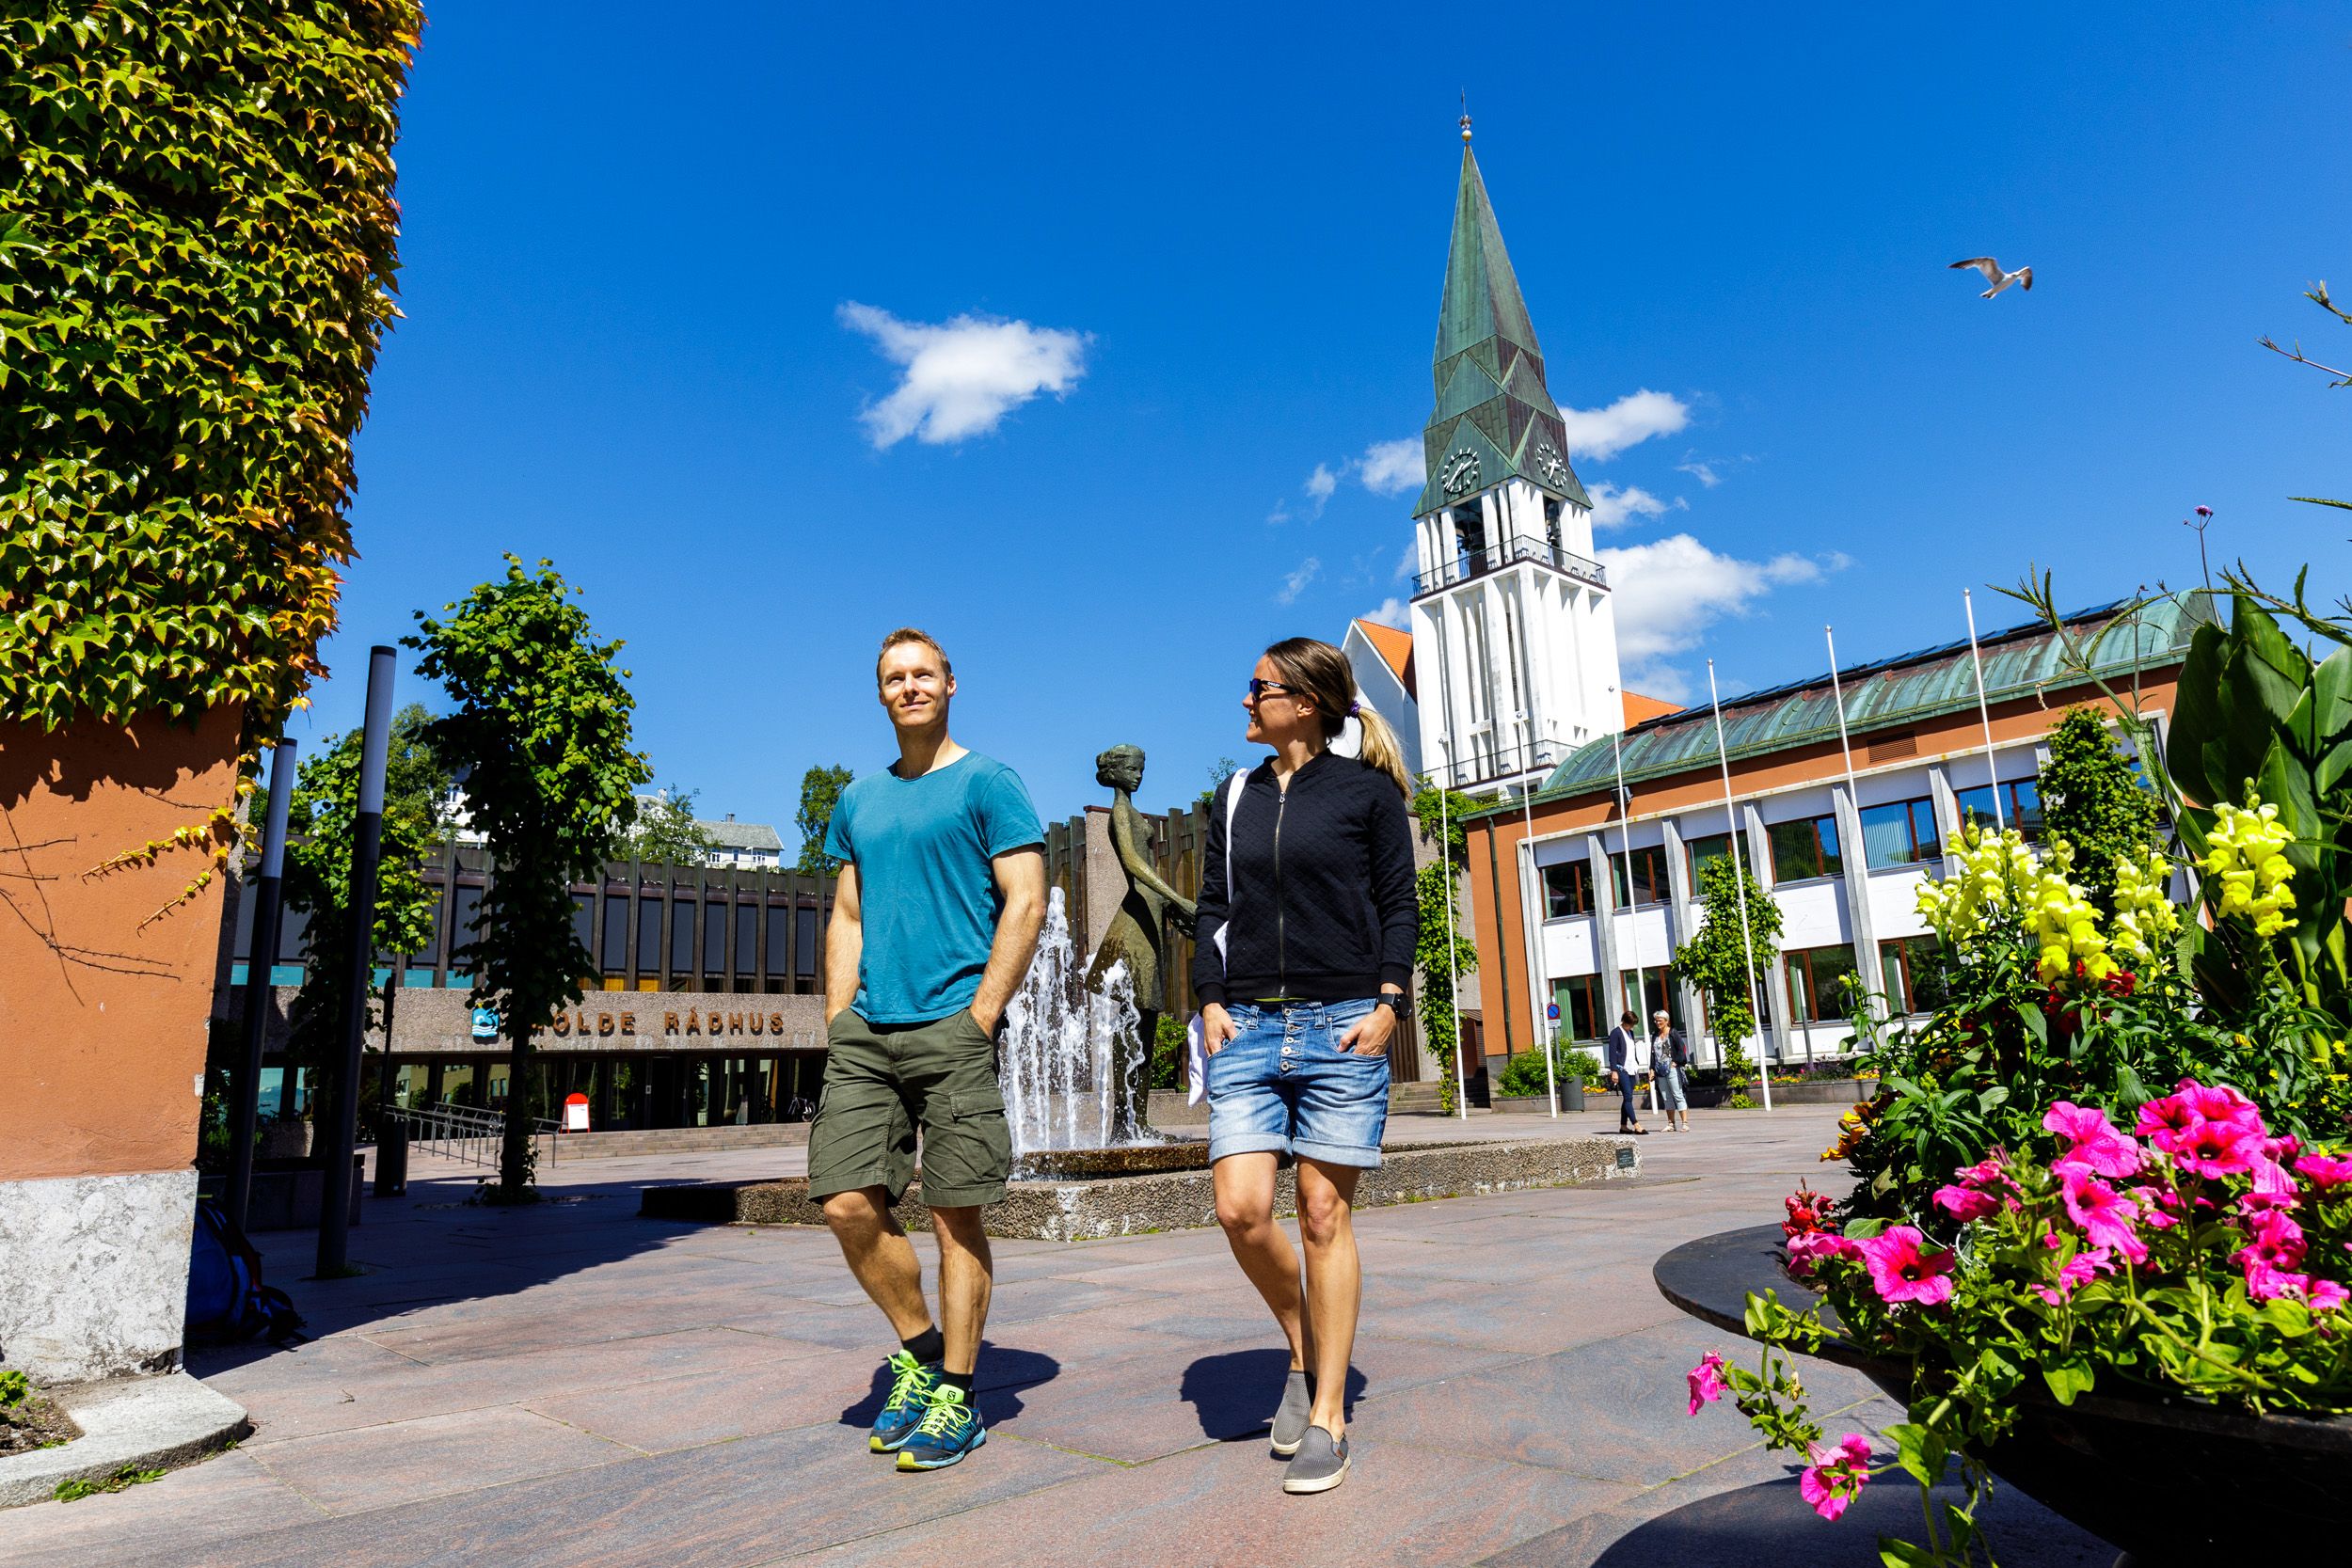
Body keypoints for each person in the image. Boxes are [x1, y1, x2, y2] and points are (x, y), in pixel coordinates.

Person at [808, 627, 1047, 1473]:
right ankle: (916, 1349)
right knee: (842, 1198)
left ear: (951, 683)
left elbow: (1026, 899)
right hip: (868, 1030)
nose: (909, 687)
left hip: (954, 1024)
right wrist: (839, 1017)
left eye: (922, 674)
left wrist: (982, 1014)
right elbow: (847, 914)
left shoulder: (989, 782)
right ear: (880, 694)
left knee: (955, 1212)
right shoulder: (859, 798)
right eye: (893, 677)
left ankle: (959, 1391)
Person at [1194, 637, 1419, 1497]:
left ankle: (1329, 1413)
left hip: (1342, 1025)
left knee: (1324, 1213)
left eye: (1258, 688)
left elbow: (1398, 903)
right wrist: (1210, 997)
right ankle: (1305, 1344)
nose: (1246, 701)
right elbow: (1216, 905)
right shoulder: (1234, 794)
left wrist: (1389, 1003)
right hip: (1244, 1024)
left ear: (1307, 701)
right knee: (1241, 1209)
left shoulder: (1366, 793)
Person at [1603, 1009, 1648, 1134]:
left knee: (1628, 1098)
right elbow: (1612, 1053)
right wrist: (1614, 1071)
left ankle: (1623, 1126)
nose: (1631, 1027)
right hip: (1621, 1068)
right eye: (1630, 1024)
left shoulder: (1631, 1033)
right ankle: (1637, 1125)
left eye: (1633, 1025)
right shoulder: (1616, 1033)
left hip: (1632, 1068)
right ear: (1624, 1021)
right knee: (1628, 1097)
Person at [1649, 1008, 1691, 1132]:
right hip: (1659, 1069)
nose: (1657, 1023)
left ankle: (1685, 1123)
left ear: (1666, 1021)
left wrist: (1676, 1062)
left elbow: (1682, 1050)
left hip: (1672, 1069)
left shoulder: (1673, 1033)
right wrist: (1651, 1069)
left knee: (1677, 1094)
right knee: (1666, 1097)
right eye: (1656, 1021)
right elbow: (1653, 1054)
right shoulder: (1655, 1035)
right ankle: (1671, 1123)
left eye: (1660, 1020)